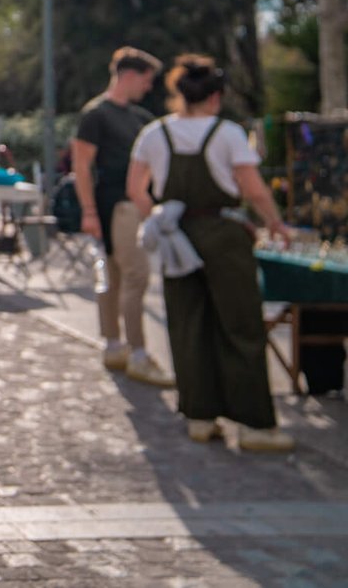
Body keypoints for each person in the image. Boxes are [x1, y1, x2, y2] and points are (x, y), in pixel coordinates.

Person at [126, 54, 296, 452]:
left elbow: (136, 187)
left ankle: (200, 417)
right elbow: (252, 189)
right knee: (240, 326)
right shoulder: (228, 133)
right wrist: (275, 221)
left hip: (176, 235)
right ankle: (254, 425)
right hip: (222, 235)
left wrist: (158, 215)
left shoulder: (154, 133)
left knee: (188, 325)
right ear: (216, 97)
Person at [73, 47, 173, 387]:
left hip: (129, 206)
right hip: (114, 206)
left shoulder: (140, 118)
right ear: (128, 76)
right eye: (146, 80)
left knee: (117, 276)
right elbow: (81, 166)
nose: (148, 87)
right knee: (132, 275)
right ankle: (136, 351)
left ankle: (116, 346)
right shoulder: (96, 115)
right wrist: (88, 211)